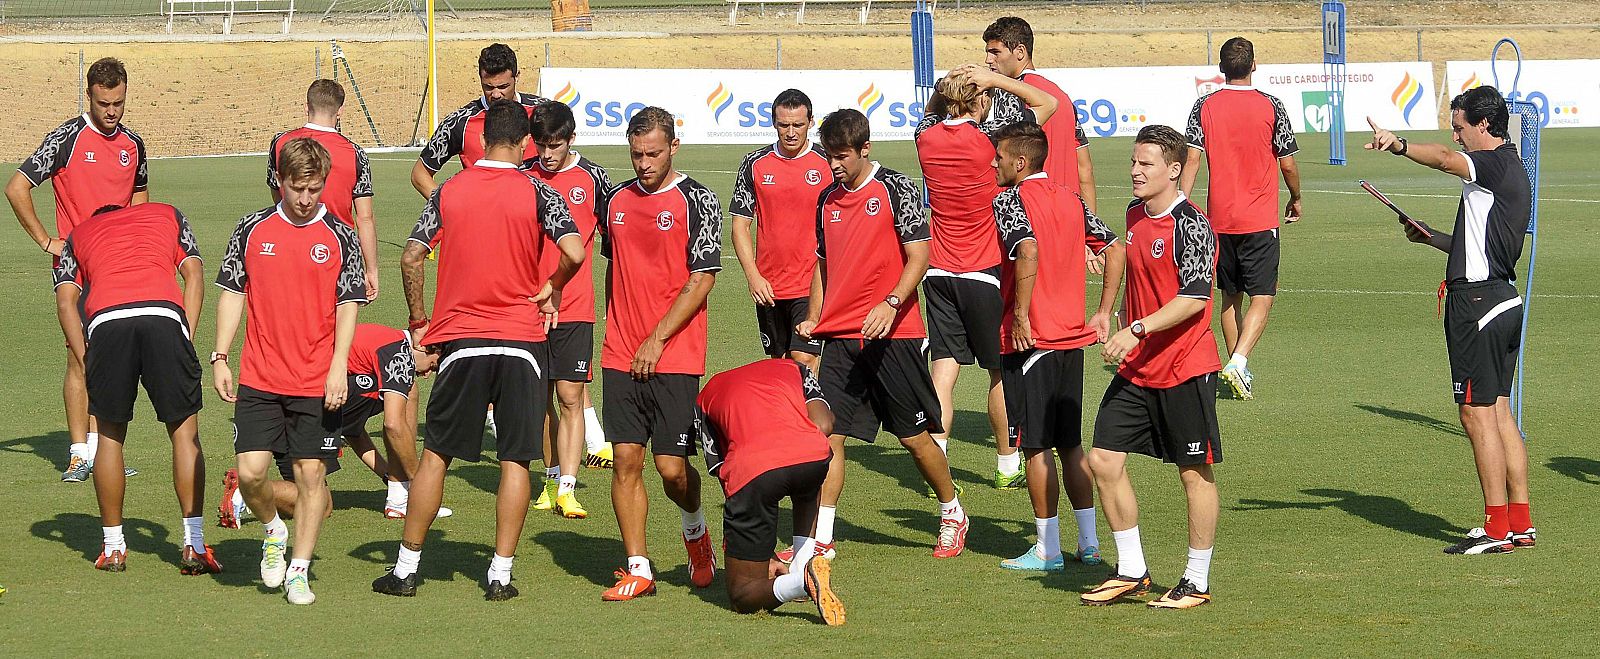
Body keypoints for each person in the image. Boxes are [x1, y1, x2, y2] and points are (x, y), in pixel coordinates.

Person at [372, 100, 585, 601]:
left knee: (437, 456)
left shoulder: (449, 189)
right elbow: (574, 251)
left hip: (463, 341)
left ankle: (405, 570)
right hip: (522, 343)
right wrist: (553, 285)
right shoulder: (536, 190)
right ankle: (499, 576)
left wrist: (421, 321)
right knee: (515, 459)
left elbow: (410, 257)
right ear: (526, 143)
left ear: (484, 136)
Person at [1366, 86, 1536, 554]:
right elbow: (1483, 245)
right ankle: (1519, 521)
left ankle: (1495, 528)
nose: (1457, 139)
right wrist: (1435, 238)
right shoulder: (1505, 171)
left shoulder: (1494, 163)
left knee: (1474, 413)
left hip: (1477, 306)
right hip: (1501, 298)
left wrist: (1397, 144)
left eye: (1460, 129)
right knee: (1499, 412)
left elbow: (1442, 158)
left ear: (1484, 125)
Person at [796, 109, 968, 560]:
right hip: (841, 338)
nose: (833, 166)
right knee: (828, 435)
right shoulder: (826, 200)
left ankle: (952, 511)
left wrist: (890, 304)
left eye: (841, 157)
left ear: (864, 149)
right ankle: (823, 538)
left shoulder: (897, 188)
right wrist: (817, 316)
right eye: (828, 156)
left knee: (913, 438)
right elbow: (824, 264)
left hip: (895, 335)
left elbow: (920, 257)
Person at [213, 137, 368, 605]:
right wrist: (221, 355)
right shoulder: (252, 229)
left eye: (314, 190)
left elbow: (348, 305)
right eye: (296, 189)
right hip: (259, 375)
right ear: (278, 181)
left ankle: (299, 569)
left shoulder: (341, 236)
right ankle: (273, 530)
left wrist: (338, 366)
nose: (305, 200)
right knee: (252, 473)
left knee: (310, 477)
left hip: (316, 380)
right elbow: (234, 293)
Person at [1081, 125, 1221, 610]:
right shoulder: (1136, 214)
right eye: (1134, 162)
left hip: (1184, 366)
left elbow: (1194, 298)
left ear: (1175, 170)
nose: (1135, 171)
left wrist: (1136, 329)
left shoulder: (1192, 225)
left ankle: (1196, 581)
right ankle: (1131, 570)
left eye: (1147, 164)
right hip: (1138, 368)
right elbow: (1121, 254)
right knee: (1103, 459)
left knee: (1193, 473)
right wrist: (1106, 309)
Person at [594, 107, 721, 601]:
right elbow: (618, 265)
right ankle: (639, 567)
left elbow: (702, 278)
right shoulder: (616, 200)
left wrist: (658, 337)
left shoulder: (698, 200)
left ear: (674, 147)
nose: (644, 163)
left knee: (671, 467)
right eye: (636, 154)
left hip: (675, 353)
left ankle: (695, 532)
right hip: (619, 351)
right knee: (626, 458)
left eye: (653, 153)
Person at [987, 122, 1123, 571]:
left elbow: (1025, 249)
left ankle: (1046, 549)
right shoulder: (1070, 197)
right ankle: (1088, 543)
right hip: (1071, 339)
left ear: (1020, 162)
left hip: (1034, 341)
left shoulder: (1009, 200)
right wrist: (1104, 309)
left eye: (1000, 156)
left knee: (1035, 447)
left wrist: (1022, 315)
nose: (994, 163)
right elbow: (1115, 247)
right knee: (1071, 445)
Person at [6, 57, 148, 483]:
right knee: (79, 356)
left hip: (119, 268)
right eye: (105, 103)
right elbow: (16, 188)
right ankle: (78, 453)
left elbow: (139, 201)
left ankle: (106, 450)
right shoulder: (66, 138)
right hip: (77, 267)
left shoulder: (134, 145)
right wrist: (48, 241)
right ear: (90, 95)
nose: (112, 112)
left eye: (119, 103)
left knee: (113, 360)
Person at [53, 202, 215, 574]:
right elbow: (194, 273)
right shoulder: (167, 213)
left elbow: (66, 302)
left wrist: (84, 355)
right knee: (184, 432)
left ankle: (113, 549)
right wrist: (185, 333)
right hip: (164, 315)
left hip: (107, 322)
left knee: (109, 437)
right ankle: (194, 544)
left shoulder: (79, 234)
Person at [916, 65, 1056, 490]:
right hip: (984, 270)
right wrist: (994, 81)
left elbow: (930, 111)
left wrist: (947, 91)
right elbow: (1046, 104)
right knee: (998, 371)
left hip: (938, 270)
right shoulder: (991, 142)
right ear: (980, 101)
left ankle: (937, 460)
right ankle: (1006, 461)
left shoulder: (925, 139)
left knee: (943, 368)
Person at [217, 323, 450, 527]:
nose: (428, 373)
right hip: (302, 414)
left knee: (322, 506)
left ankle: (246, 490)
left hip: (287, 411)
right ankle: (246, 489)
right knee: (405, 390)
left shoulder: (382, 344)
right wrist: (422, 486)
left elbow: (353, 430)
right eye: (433, 365)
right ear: (424, 347)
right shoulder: (396, 352)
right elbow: (393, 425)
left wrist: (388, 474)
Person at [1180, 36, 1302, 401]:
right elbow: (1288, 162)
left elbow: (1193, 160)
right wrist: (1296, 198)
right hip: (1260, 217)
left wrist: (1182, 206)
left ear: (1221, 67)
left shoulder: (1204, 105)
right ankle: (1238, 362)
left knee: (1229, 297)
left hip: (1219, 218)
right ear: (1254, 65)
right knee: (1263, 296)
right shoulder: (1271, 105)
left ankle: (1238, 372)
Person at [695, 358, 843, 625]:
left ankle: (800, 582)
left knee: (742, 594)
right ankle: (804, 566)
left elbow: (724, 473)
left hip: (753, 471)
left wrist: (762, 553)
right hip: (812, 459)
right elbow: (824, 426)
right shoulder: (795, 368)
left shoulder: (705, 396)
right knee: (807, 477)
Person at [523, 100, 616, 520]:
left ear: (571, 139)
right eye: (540, 144)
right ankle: (549, 476)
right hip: (529, 304)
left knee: (570, 395)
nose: (546, 154)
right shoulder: (525, 177)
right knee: (540, 398)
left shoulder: (594, 178)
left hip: (576, 305)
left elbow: (614, 241)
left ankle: (568, 489)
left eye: (555, 145)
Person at [730, 89, 832, 371]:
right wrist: (753, 277)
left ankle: (809, 417)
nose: (790, 132)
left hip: (813, 283)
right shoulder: (754, 163)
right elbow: (740, 225)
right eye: (783, 124)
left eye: (797, 124)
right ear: (774, 122)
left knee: (803, 361)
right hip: (769, 287)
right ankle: (793, 416)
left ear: (811, 122)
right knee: (781, 365)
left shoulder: (828, 162)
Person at [268, 79, 379, 300]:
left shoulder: (280, 143)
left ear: (307, 106)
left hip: (289, 247)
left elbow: (277, 193)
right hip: (338, 251)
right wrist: (371, 269)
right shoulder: (355, 153)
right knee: (338, 326)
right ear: (340, 111)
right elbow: (364, 218)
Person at [982, 17, 1098, 210]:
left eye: (995, 52)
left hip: (1030, 212)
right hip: (1067, 211)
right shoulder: (1062, 97)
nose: (988, 60)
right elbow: (1084, 169)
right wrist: (1089, 225)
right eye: (987, 52)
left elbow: (1006, 163)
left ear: (1020, 52)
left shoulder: (1010, 93)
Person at [412, 43, 548, 198]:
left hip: (532, 218)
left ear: (517, 76)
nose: (496, 94)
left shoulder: (543, 112)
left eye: (503, 86)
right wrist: (449, 207)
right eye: (489, 87)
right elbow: (420, 174)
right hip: (484, 219)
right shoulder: (459, 123)